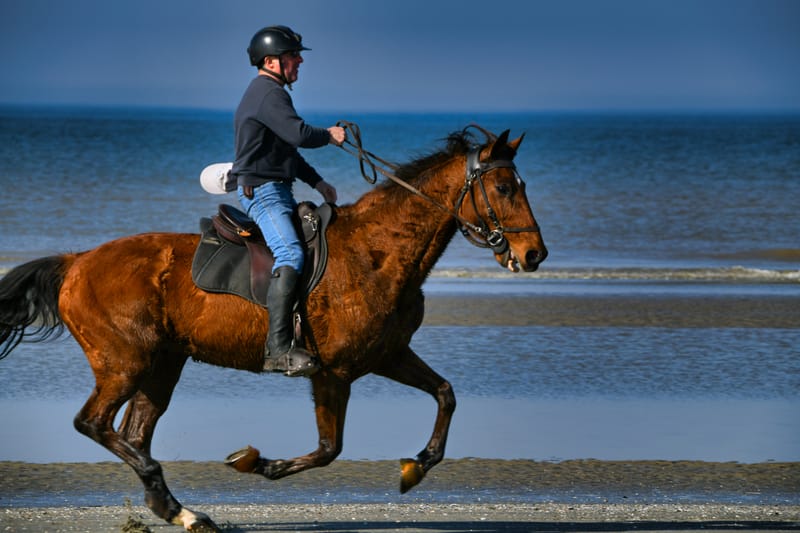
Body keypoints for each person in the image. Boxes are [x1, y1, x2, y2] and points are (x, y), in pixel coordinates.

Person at [232, 25, 346, 377]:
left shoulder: (270, 92)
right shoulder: (269, 94)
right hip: (263, 193)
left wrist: (318, 182)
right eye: (292, 56)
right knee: (291, 254)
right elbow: (299, 134)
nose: (298, 61)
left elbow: (287, 152)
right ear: (271, 61)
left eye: (297, 55)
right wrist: (328, 135)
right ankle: (278, 351)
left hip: (275, 188)